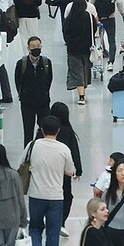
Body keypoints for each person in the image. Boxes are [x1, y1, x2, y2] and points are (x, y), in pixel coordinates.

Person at [22, 115, 75, 246]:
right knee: (53, 232)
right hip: (55, 196)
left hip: (36, 195)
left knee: (35, 228)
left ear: (42, 130)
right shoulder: (63, 149)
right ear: (58, 131)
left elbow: (21, 163)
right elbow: (70, 171)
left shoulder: (32, 145)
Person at [47, 102, 83, 237]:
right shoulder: (68, 131)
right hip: (64, 172)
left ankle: (50, 219)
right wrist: (78, 170)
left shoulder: (44, 130)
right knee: (66, 196)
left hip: (47, 171)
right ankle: (60, 222)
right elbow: (75, 151)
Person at [13, 36, 52, 145]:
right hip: (27, 103)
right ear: (28, 48)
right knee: (28, 131)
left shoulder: (46, 62)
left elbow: (49, 80)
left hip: (43, 103)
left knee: (45, 130)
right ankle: (28, 154)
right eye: (33, 46)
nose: (36, 48)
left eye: (38, 46)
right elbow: (18, 81)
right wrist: (23, 95)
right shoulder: (21, 64)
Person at [62, 0, 96, 105]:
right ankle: (83, 92)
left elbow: (65, 30)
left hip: (73, 49)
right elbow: (94, 28)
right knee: (86, 69)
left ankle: (81, 95)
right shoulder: (88, 15)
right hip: (87, 48)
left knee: (76, 71)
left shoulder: (69, 16)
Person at [90, 0, 124, 70]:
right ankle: (111, 62)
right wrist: (123, 13)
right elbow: (119, 2)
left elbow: (91, 1)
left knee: (96, 39)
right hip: (110, 17)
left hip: (98, 18)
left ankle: (97, 58)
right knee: (112, 40)